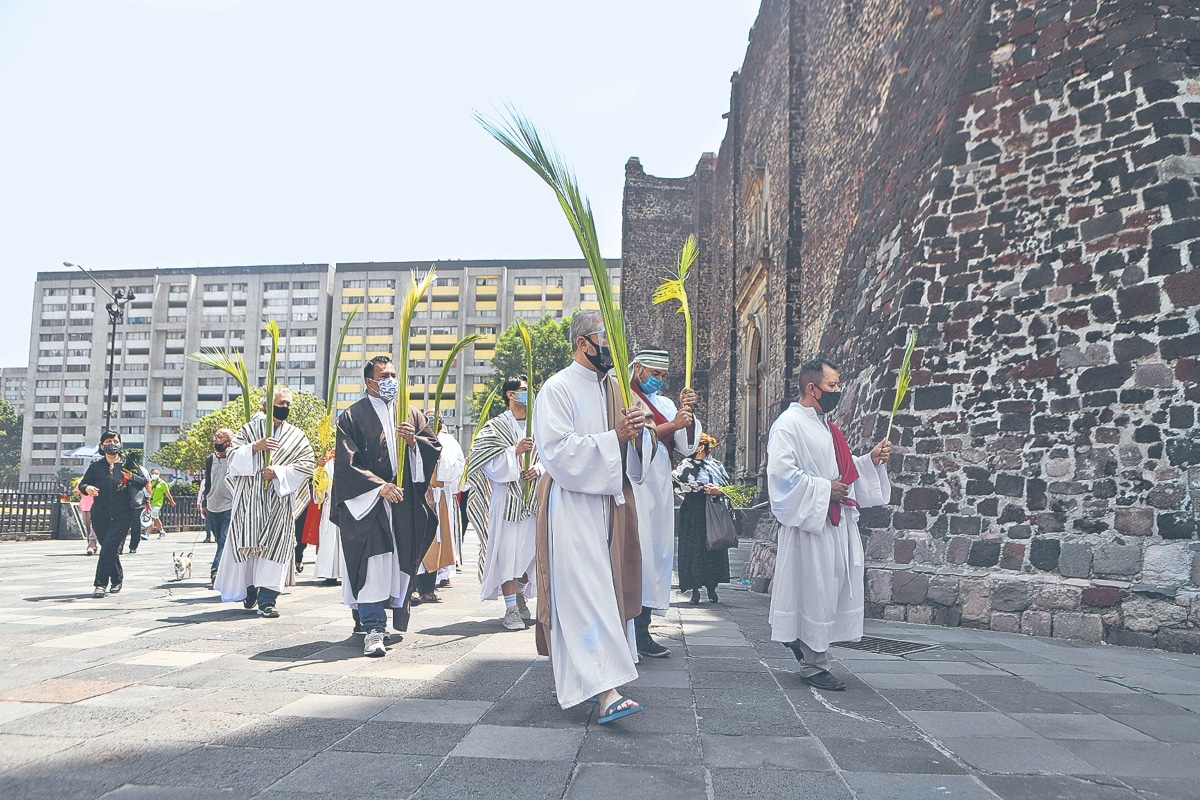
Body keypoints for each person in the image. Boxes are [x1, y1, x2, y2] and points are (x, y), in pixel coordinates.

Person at [534, 309, 653, 724]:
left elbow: (640, 454)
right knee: (586, 593)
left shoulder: (616, 388)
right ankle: (606, 691)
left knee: (606, 588)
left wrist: (641, 433)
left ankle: (587, 680)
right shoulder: (557, 388)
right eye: (606, 336)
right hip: (572, 505)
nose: (612, 344)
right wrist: (613, 439)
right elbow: (557, 451)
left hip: (610, 505)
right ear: (583, 343)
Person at [767, 357, 891, 691]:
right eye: (833, 386)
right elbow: (780, 477)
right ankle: (815, 663)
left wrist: (870, 461)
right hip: (811, 525)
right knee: (815, 591)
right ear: (813, 388)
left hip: (832, 521)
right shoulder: (788, 425)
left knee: (827, 589)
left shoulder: (825, 425)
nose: (838, 391)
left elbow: (843, 469)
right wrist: (824, 489)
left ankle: (802, 642)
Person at [330, 355, 441, 657]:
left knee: (397, 565)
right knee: (373, 564)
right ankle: (373, 626)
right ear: (369, 382)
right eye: (384, 376)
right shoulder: (352, 417)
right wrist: (379, 487)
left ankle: (379, 617)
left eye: (393, 374)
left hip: (403, 504)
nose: (391, 381)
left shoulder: (411, 413)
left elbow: (434, 448)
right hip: (370, 504)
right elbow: (346, 464)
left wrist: (415, 443)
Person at [213, 386, 315, 618]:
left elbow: (307, 463)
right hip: (250, 501)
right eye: (281, 404)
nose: (285, 408)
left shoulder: (296, 435)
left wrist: (278, 473)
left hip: (279, 502)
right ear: (267, 405)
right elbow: (231, 457)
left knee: (275, 548)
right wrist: (254, 448)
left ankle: (268, 599)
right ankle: (250, 588)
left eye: (288, 404)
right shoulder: (249, 430)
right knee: (248, 545)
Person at [628, 347, 698, 657]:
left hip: (659, 490)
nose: (659, 380)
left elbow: (686, 446)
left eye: (664, 376)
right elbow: (635, 442)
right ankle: (628, 633)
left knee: (655, 557)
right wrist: (672, 425)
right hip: (633, 486)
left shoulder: (666, 403)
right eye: (655, 374)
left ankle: (643, 632)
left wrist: (687, 416)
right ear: (639, 368)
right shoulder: (624, 397)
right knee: (634, 556)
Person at [469, 375, 541, 631]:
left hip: (533, 499)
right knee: (508, 553)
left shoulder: (540, 422)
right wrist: (515, 452)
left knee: (531, 554)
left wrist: (539, 469)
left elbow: (552, 453)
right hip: (507, 497)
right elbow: (482, 461)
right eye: (524, 390)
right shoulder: (495, 426)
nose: (529, 395)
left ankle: (519, 593)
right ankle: (510, 608)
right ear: (511, 395)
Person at [77, 431, 147, 597]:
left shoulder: (128, 464)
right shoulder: (96, 466)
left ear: (120, 444)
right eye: (108, 441)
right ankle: (116, 579)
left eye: (115, 441)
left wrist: (131, 477)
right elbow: (83, 484)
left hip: (123, 514)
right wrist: (87, 488)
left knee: (108, 547)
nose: (112, 443)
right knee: (109, 548)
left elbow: (144, 482)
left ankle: (100, 584)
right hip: (100, 514)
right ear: (102, 446)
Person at [672, 433, 732, 605]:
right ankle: (695, 589)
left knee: (713, 547)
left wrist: (717, 489)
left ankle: (712, 586)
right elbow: (676, 481)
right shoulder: (686, 464)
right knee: (693, 548)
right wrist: (696, 487)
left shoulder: (716, 465)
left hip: (711, 509)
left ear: (701, 447)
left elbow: (726, 485)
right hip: (693, 510)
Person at [418, 408, 465, 599]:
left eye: (435, 418)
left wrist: (440, 459)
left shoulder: (449, 441)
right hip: (421, 493)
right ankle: (414, 587)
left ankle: (428, 588)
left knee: (438, 539)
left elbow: (459, 466)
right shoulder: (416, 437)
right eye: (427, 417)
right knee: (420, 540)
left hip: (439, 496)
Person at [199, 428, 235, 588]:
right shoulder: (210, 459)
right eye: (215, 436)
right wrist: (204, 502)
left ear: (228, 441)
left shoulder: (235, 458)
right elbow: (208, 482)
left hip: (230, 505)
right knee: (219, 540)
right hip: (213, 505)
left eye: (219, 437)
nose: (216, 440)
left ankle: (216, 572)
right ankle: (225, 572)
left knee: (224, 540)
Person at [313, 449, 342, 585]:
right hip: (330, 502)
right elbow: (319, 489)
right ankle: (329, 574)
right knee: (329, 540)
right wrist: (319, 469)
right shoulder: (328, 460)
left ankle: (345, 572)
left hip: (346, 504)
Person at [147, 469, 176, 539]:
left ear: (159, 474)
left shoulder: (163, 483)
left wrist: (172, 501)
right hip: (150, 503)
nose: (154, 474)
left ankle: (147, 533)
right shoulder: (149, 482)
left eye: (156, 473)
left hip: (158, 503)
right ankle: (162, 531)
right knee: (156, 518)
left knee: (152, 517)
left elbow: (168, 494)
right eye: (153, 473)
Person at [75, 479, 98, 556]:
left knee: (93, 527)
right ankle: (92, 545)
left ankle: (91, 546)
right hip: (85, 507)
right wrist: (82, 491)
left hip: (95, 506)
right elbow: (76, 491)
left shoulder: (98, 479)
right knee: (88, 528)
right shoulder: (83, 480)